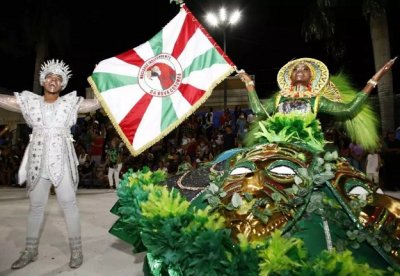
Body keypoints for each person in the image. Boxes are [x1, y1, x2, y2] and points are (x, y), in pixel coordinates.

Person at [0, 59, 100, 269]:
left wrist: (107, 87)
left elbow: (96, 103)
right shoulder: (30, 102)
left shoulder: (70, 103)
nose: (53, 80)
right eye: (49, 77)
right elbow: (5, 100)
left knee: (69, 205)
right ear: (43, 81)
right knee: (36, 207)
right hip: (37, 161)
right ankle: (30, 250)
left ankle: (76, 251)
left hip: (61, 161)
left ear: (62, 84)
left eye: (58, 78)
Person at [238, 57, 396, 153]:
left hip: (307, 146)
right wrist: (249, 84)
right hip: (278, 145)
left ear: (311, 77)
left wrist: (374, 79)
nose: (300, 70)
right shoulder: (280, 98)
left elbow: (349, 109)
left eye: (305, 69)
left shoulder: (317, 100)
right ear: (290, 76)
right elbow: (258, 110)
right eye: (296, 69)